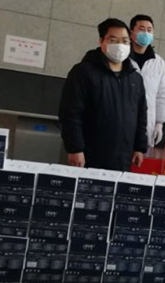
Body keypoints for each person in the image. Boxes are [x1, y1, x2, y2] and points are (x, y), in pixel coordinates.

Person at [59, 18, 148, 171]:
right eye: (113, 40)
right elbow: (70, 113)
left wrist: (139, 147)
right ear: (101, 41)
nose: (120, 45)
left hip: (123, 155)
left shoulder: (135, 78)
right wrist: (75, 149)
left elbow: (141, 114)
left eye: (125, 41)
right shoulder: (83, 72)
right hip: (89, 154)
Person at [129, 14, 165, 148]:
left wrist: (159, 123)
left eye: (149, 30)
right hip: (123, 117)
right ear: (131, 33)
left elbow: (162, 94)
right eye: (141, 29)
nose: (146, 33)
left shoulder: (158, 62)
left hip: (147, 120)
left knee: (140, 154)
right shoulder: (123, 58)